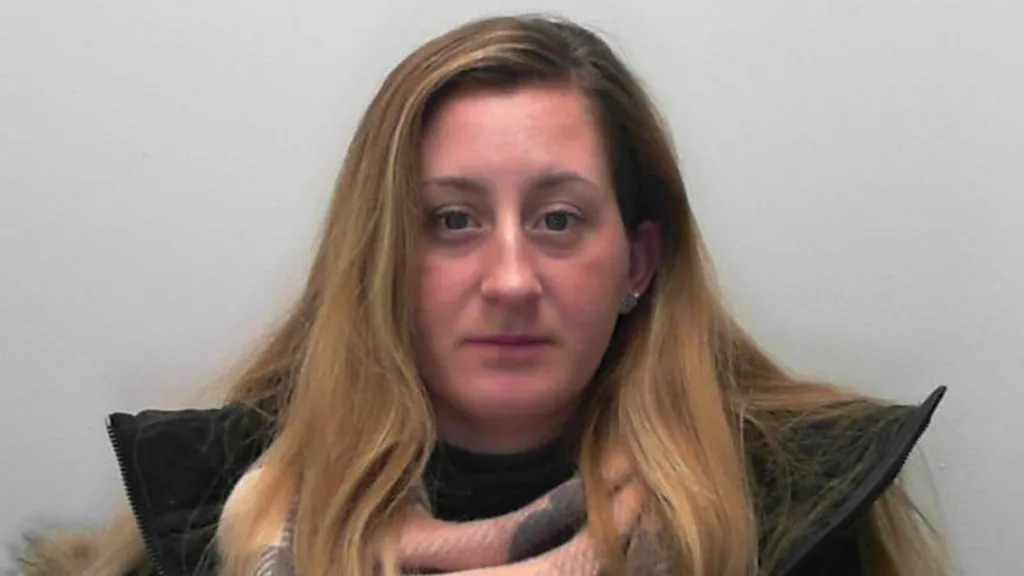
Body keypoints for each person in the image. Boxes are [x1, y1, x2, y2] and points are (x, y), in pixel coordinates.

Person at [16, 13, 947, 576]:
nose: (509, 280)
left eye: (558, 219)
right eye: (453, 221)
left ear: (637, 262)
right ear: (381, 259)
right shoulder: (207, 522)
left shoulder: (791, 516)